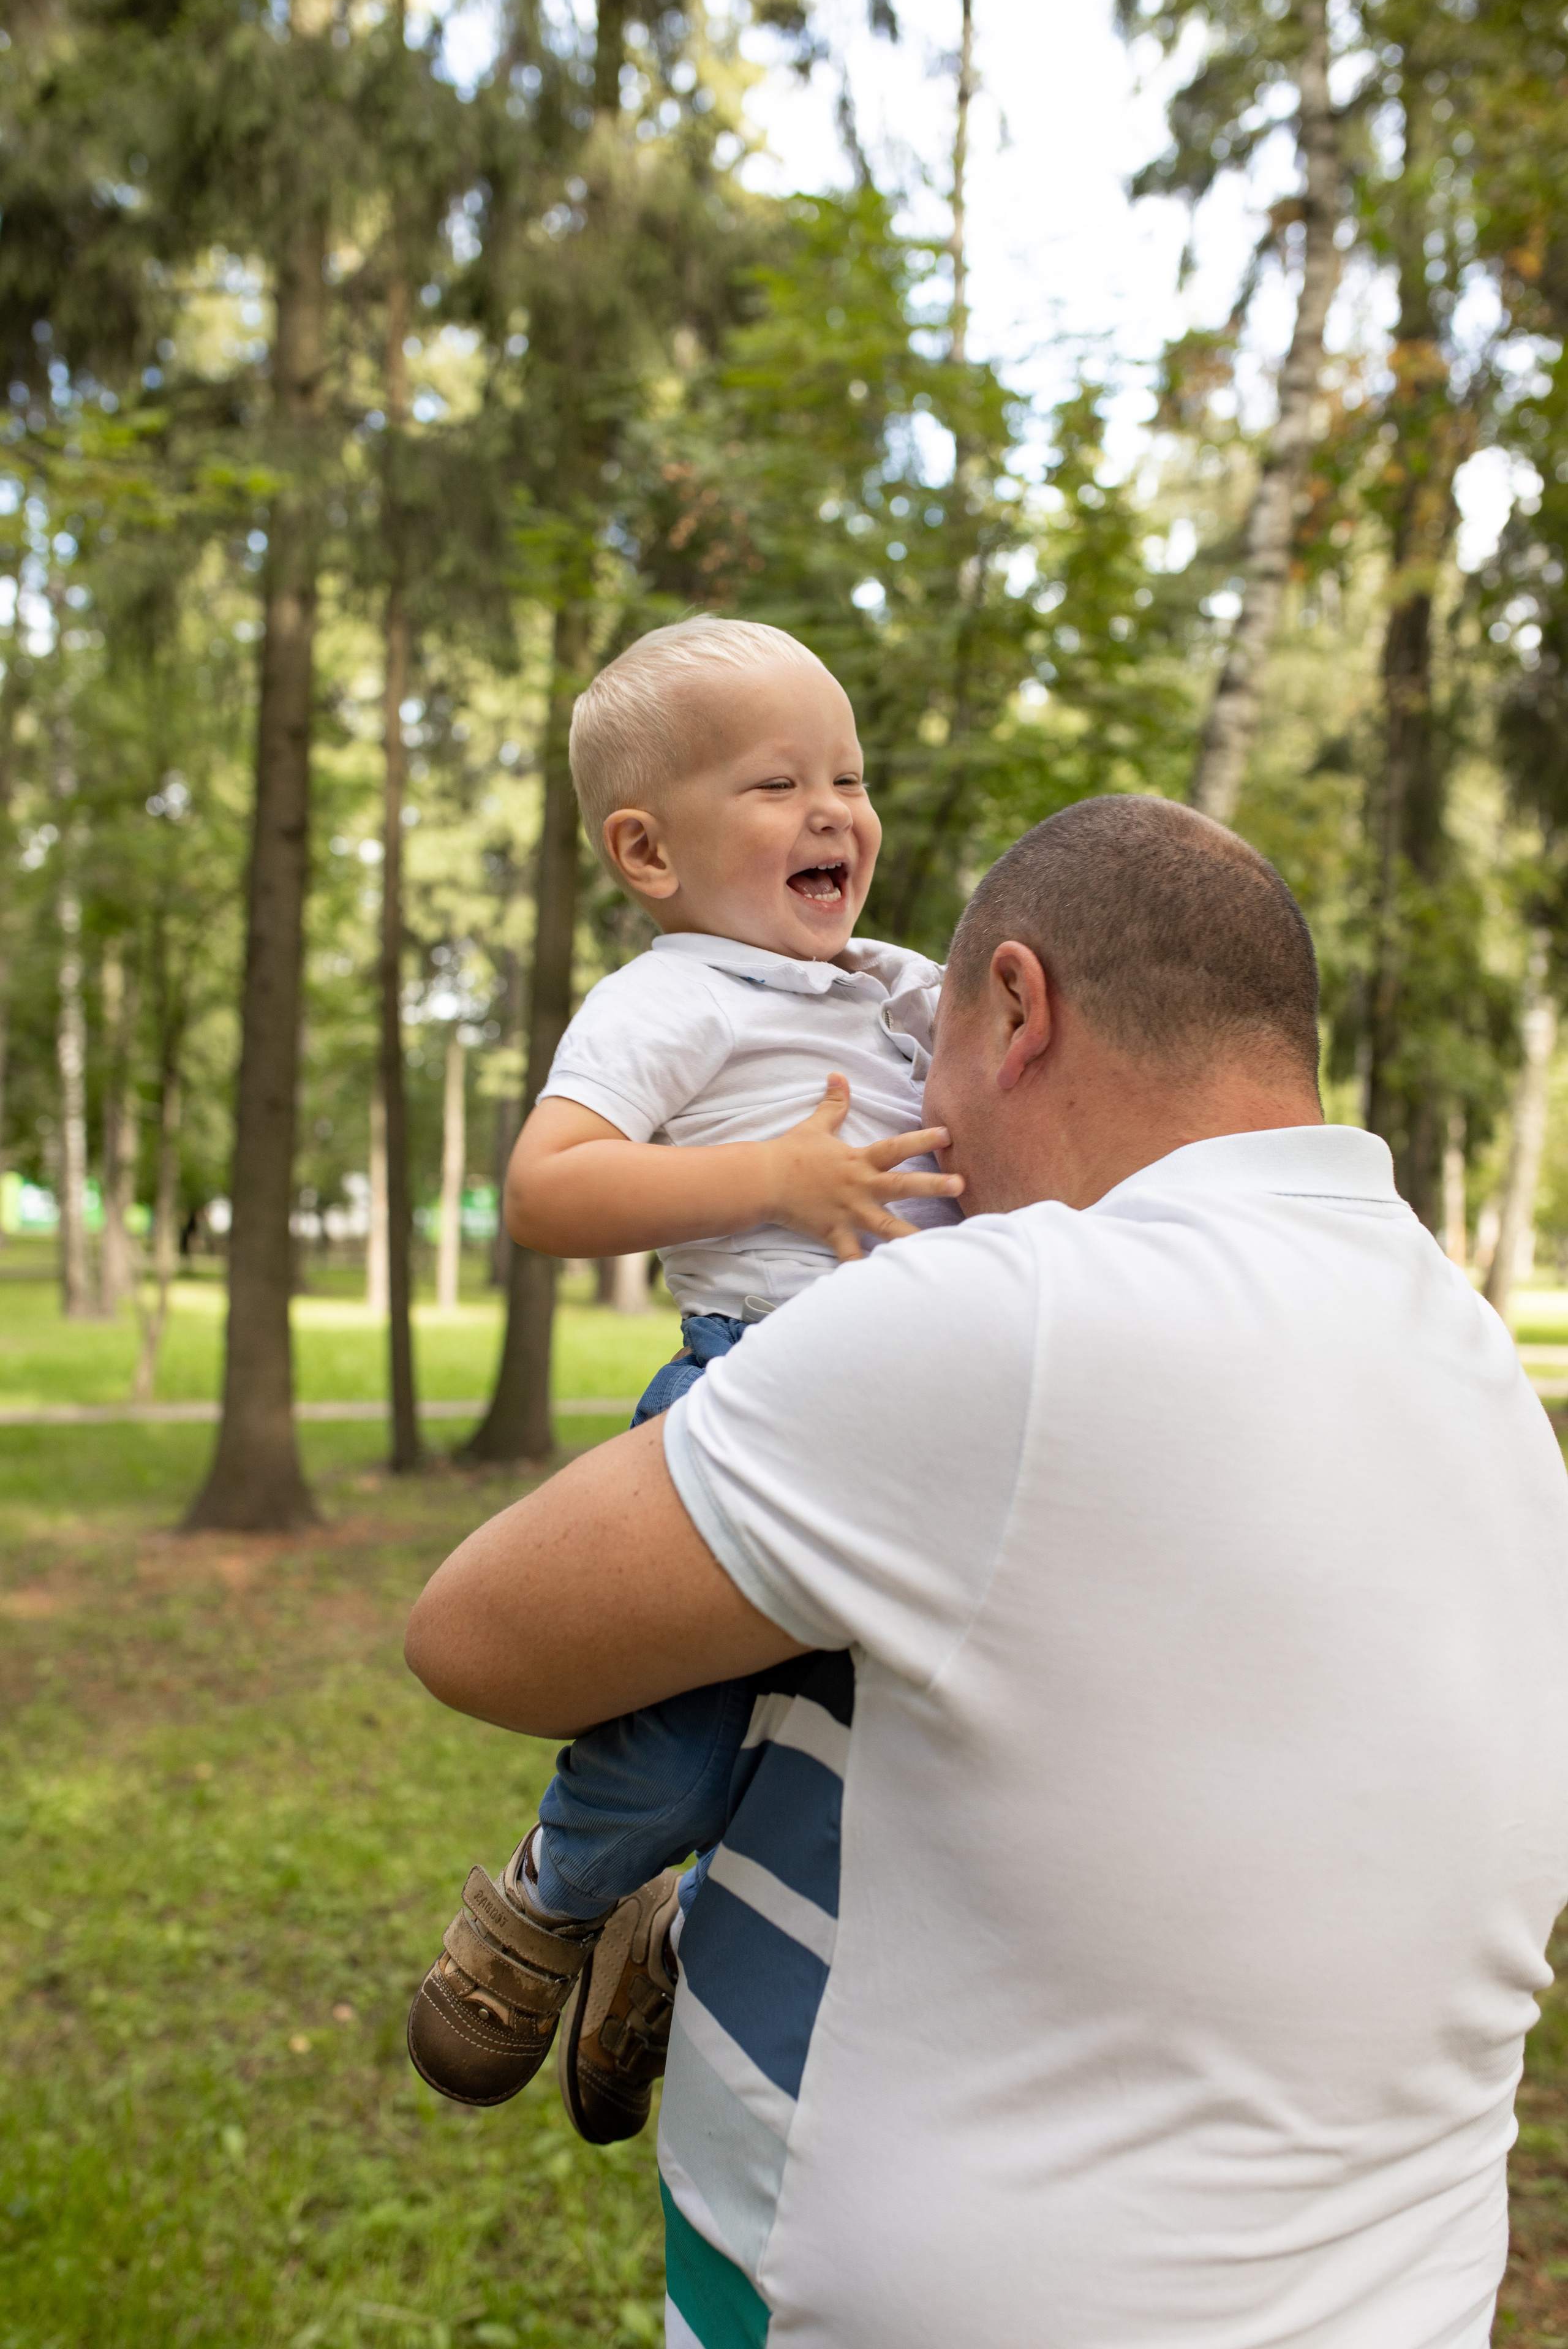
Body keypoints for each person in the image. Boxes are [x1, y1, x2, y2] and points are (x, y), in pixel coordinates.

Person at [405, 795, 1568, 2349]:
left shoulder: (1003, 1314)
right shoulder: (1470, 1360)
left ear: (1017, 1011)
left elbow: (480, 1634)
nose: (923, 1133)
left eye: (921, 1068)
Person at [405, 615, 962, 2144]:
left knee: (841, 1764)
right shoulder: (678, 997)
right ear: (648, 851)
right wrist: (770, 1181)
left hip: (913, 1424)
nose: (834, 813)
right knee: (675, 1758)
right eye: (777, 784)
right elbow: (548, 1192)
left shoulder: (898, 987)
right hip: (747, 1400)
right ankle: (552, 1897)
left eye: (846, 778)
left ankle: (683, 1934)